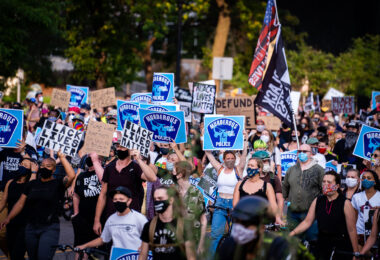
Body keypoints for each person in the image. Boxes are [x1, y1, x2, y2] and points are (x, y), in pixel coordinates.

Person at [0, 151, 75, 260]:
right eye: (42, 166)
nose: (44, 168)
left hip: (49, 227)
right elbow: (20, 203)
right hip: (31, 228)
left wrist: (62, 157)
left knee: (43, 256)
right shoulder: (32, 184)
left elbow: (71, 175)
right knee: (33, 257)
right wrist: (8, 218)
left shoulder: (57, 184)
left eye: (48, 166)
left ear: (53, 170)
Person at [289, 171, 359, 259]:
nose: (325, 184)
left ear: (337, 186)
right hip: (322, 243)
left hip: (341, 245)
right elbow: (307, 222)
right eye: (324, 181)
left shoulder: (345, 203)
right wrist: (291, 233)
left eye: (329, 182)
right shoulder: (318, 200)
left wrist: (355, 253)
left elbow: (352, 230)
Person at [217, 196, 307, 260]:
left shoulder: (279, 248)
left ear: (262, 227)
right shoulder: (228, 246)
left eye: (246, 224)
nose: (240, 229)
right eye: (237, 222)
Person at [93, 146, 156, 236]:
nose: (119, 149)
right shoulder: (109, 168)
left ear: (130, 150)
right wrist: (97, 220)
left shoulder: (136, 167)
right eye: (118, 147)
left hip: (131, 218)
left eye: (122, 147)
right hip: (112, 216)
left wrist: (138, 159)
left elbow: (152, 178)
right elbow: (102, 195)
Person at [76, 186, 147, 251]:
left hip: (134, 256)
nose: (118, 201)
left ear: (129, 201)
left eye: (121, 199)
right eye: (115, 199)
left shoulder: (139, 218)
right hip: (117, 256)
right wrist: (85, 245)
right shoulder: (111, 219)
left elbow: (150, 239)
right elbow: (103, 239)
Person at [282, 144, 325, 243]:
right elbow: (285, 188)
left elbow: (323, 190)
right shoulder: (291, 169)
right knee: (292, 241)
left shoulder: (318, 170)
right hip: (292, 213)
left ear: (311, 154)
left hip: (310, 214)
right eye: (299, 151)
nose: (302, 153)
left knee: (311, 241)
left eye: (305, 151)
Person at [139, 186, 196, 260]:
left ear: (171, 200)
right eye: (155, 199)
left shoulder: (184, 225)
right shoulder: (149, 226)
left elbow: (191, 257)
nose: (157, 201)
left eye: (160, 198)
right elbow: (143, 255)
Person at [205, 150, 243, 253]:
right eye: (228, 158)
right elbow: (209, 155)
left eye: (232, 158)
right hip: (220, 203)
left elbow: (243, 158)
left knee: (236, 236)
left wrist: (245, 140)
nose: (230, 160)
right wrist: (204, 138)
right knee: (215, 235)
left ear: (235, 159)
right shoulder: (220, 169)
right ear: (224, 160)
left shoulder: (238, 169)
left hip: (234, 203)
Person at [0, 158, 37, 260]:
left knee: (17, 253)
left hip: (25, 224)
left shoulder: (31, 182)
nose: (21, 166)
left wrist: (34, 172)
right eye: (21, 163)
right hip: (11, 222)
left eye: (25, 165)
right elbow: (3, 201)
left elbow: (31, 187)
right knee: (12, 253)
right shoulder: (10, 182)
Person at [233, 156, 284, 225]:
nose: (249, 167)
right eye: (248, 165)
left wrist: (277, 218)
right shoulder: (240, 184)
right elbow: (235, 205)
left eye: (252, 166)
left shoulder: (267, 186)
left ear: (259, 169)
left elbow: (273, 205)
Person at [173, 161, 206, 255]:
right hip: (174, 240)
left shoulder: (196, 193)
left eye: (174, 171)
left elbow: (203, 220)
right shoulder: (171, 192)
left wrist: (201, 244)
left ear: (179, 174)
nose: (171, 173)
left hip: (192, 240)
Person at [71, 155, 102, 254]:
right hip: (83, 216)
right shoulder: (81, 176)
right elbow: (76, 195)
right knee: (80, 245)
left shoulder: (104, 174)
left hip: (99, 217)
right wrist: (76, 213)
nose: (90, 159)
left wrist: (97, 163)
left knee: (96, 247)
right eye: (88, 157)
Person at [351, 170, 380, 247]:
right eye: (363, 178)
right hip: (360, 233)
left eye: (369, 178)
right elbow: (354, 218)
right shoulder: (356, 197)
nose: (366, 180)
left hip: (376, 234)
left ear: (375, 182)